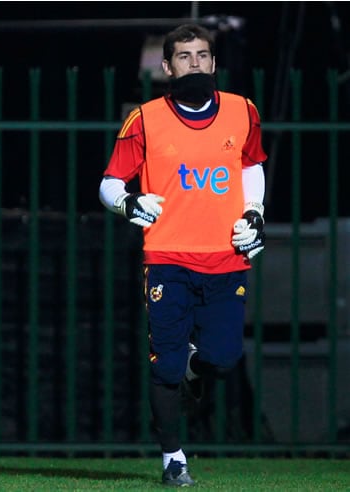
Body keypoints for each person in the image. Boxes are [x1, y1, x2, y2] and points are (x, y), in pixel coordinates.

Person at [99, 24, 267, 486]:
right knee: (166, 364)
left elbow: (250, 165)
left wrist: (254, 212)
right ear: (167, 66)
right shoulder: (145, 119)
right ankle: (174, 458)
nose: (195, 62)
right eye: (184, 56)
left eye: (202, 54)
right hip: (167, 257)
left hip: (226, 257)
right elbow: (109, 182)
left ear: (213, 63)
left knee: (223, 359)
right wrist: (128, 202)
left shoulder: (243, 111)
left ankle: (196, 365)